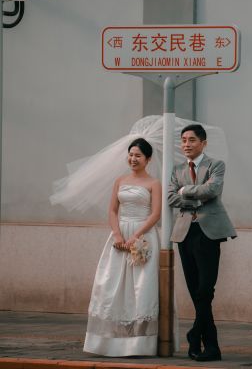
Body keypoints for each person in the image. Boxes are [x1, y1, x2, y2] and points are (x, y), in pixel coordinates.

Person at [83, 138, 162, 357]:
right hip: (118, 238)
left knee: (141, 286)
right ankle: (106, 342)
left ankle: (139, 343)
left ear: (148, 159)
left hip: (143, 235)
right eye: (131, 154)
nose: (133, 159)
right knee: (111, 284)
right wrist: (117, 234)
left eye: (138, 155)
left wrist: (136, 236)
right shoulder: (120, 180)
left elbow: (156, 214)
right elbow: (112, 210)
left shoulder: (154, 183)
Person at [168, 124, 236, 362]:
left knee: (205, 290)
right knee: (196, 291)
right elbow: (170, 196)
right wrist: (195, 199)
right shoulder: (176, 169)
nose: (186, 144)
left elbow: (213, 189)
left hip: (209, 233)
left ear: (203, 143)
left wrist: (186, 191)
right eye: (183, 140)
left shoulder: (215, 165)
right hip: (185, 234)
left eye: (192, 140)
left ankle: (197, 334)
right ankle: (210, 346)